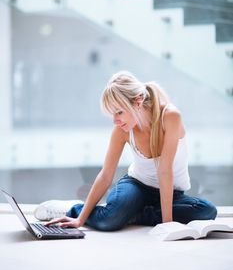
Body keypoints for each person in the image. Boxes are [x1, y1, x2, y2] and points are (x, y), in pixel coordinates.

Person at [45, 71, 217, 231]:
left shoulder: (170, 116)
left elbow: (165, 172)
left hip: (172, 192)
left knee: (207, 211)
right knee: (109, 221)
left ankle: (133, 215)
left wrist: (167, 226)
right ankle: (76, 209)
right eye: (112, 114)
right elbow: (106, 175)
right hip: (136, 186)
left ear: (138, 101)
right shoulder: (122, 130)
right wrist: (80, 219)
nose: (115, 121)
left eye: (119, 112)